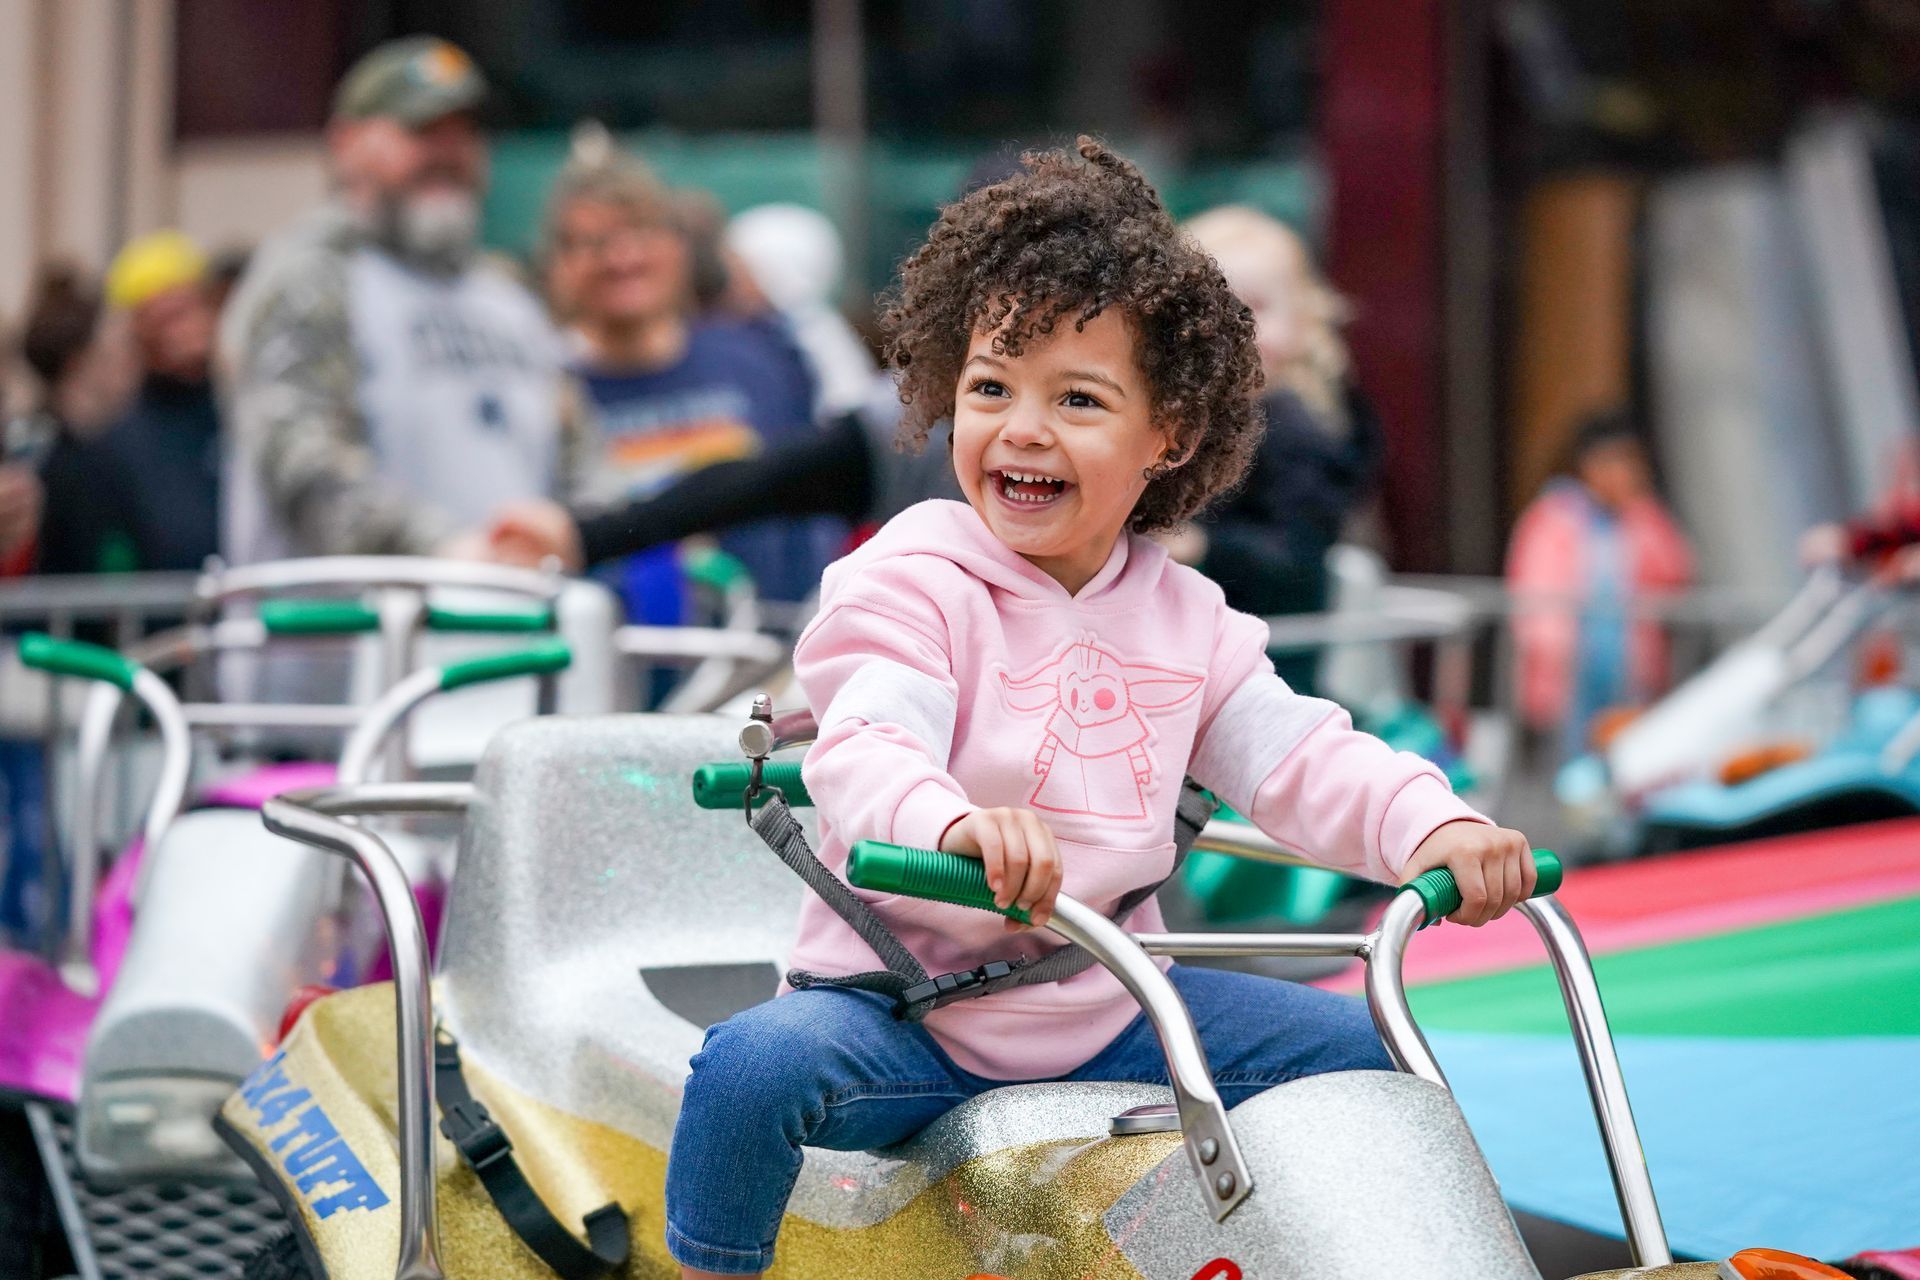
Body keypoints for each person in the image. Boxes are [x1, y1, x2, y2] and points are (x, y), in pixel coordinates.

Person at [662, 139, 1537, 1279]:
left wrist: (1439, 827)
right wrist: (953, 823)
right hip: (906, 1016)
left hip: (1113, 1001)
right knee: (751, 1065)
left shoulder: (1189, 616)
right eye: (991, 388)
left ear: (1165, 434)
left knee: (1370, 1044)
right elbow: (872, 736)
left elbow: (1301, 754)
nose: (1023, 428)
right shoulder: (907, 576)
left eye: (1078, 398)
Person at [219, 36, 587, 565]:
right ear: (345, 144)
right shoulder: (310, 278)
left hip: (510, 635)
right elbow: (301, 461)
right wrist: (449, 551)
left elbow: (578, 459)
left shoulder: (510, 296)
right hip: (346, 636)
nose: (448, 151)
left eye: (463, 132)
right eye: (422, 131)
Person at [535, 151, 837, 625]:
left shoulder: (761, 358)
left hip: (768, 654)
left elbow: (813, 514)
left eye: (640, 233)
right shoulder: (542, 389)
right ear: (559, 264)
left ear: (678, 247)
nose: (622, 258)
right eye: (594, 242)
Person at [1506, 410, 1694, 758]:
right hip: (1568, 672)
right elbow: (1534, 591)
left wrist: (1642, 512)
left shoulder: (1640, 517)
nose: (1621, 472)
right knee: (1569, 765)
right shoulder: (1554, 516)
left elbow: (1676, 572)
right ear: (1585, 465)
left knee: (1630, 759)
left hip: (1631, 667)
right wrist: (1552, 649)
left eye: (1629, 461)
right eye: (1610, 461)